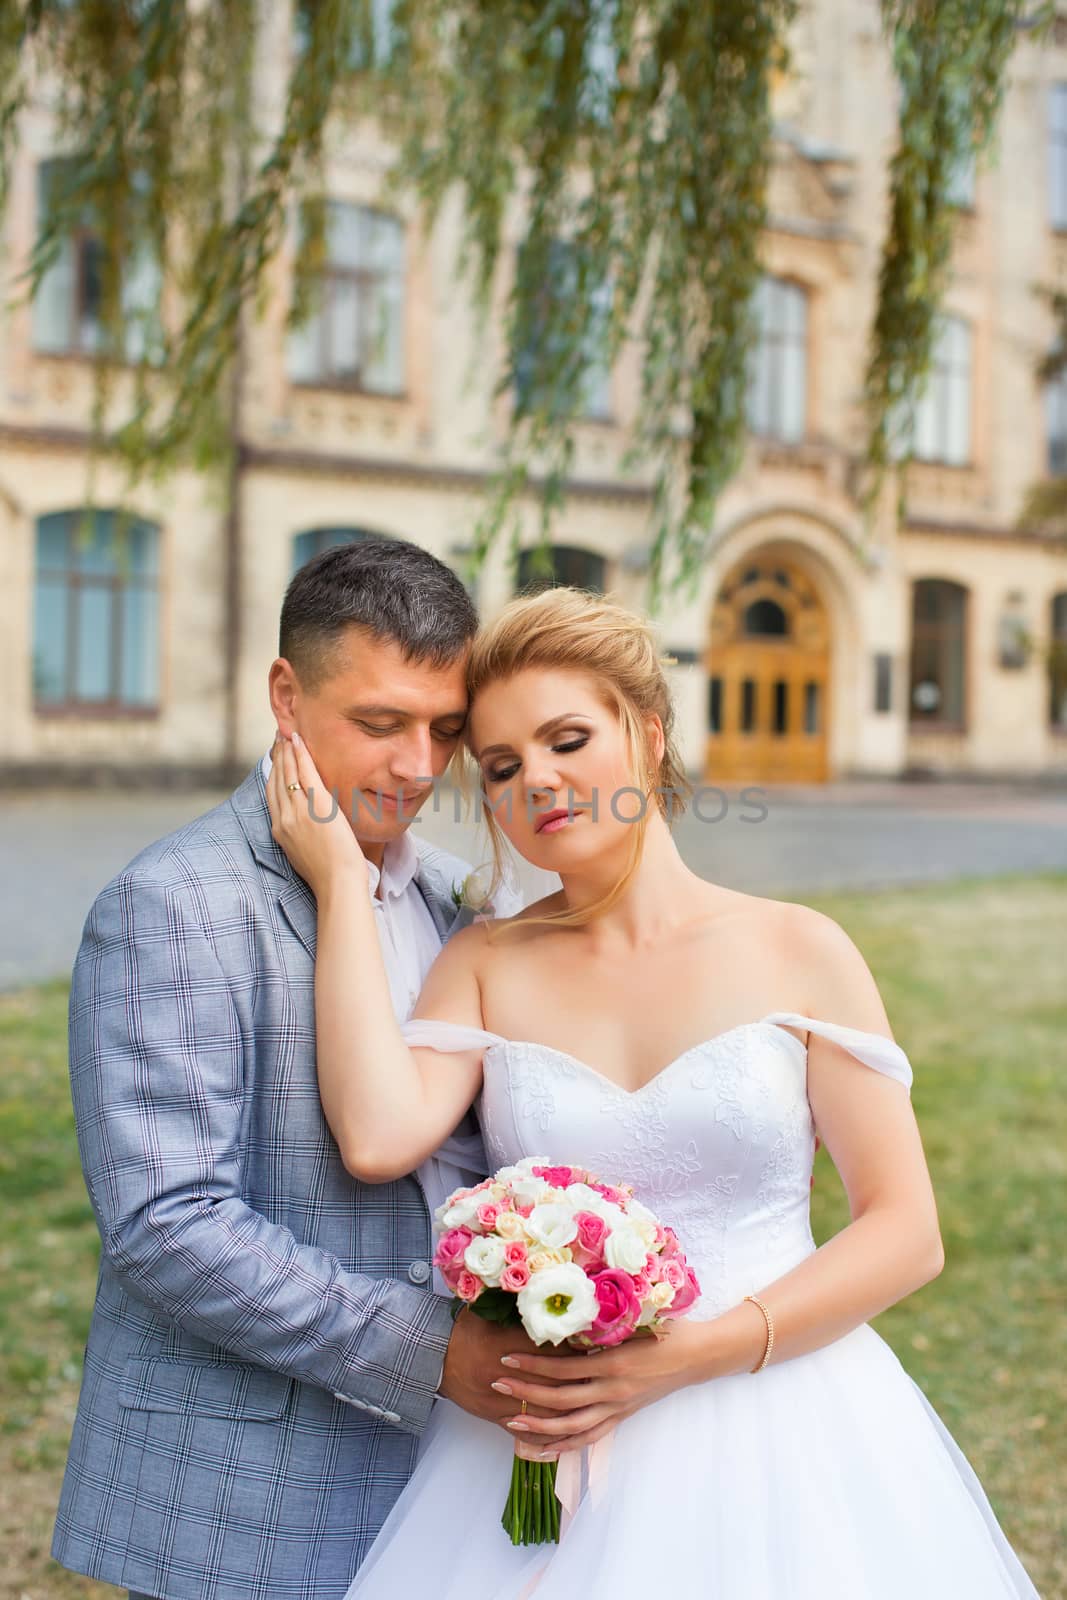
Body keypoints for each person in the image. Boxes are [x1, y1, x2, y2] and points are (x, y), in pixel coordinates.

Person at [267, 586, 1042, 1599]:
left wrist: (694, 1352)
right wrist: (337, 885)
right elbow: (374, 1135)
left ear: (645, 732)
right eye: (499, 767)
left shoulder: (798, 947)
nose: (534, 779)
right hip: (551, 1443)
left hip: (789, 1419)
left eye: (566, 738)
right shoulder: (483, 962)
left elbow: (904, 1230)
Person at [51, 536, 540, 1600]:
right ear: (285, 693)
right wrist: (429, 1352)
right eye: (379, 723)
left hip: (447, 1486)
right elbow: (168, 1223)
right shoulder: (173, 905)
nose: (418, 766)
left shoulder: (456, 897)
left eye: (445, 730)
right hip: (249, 1502)